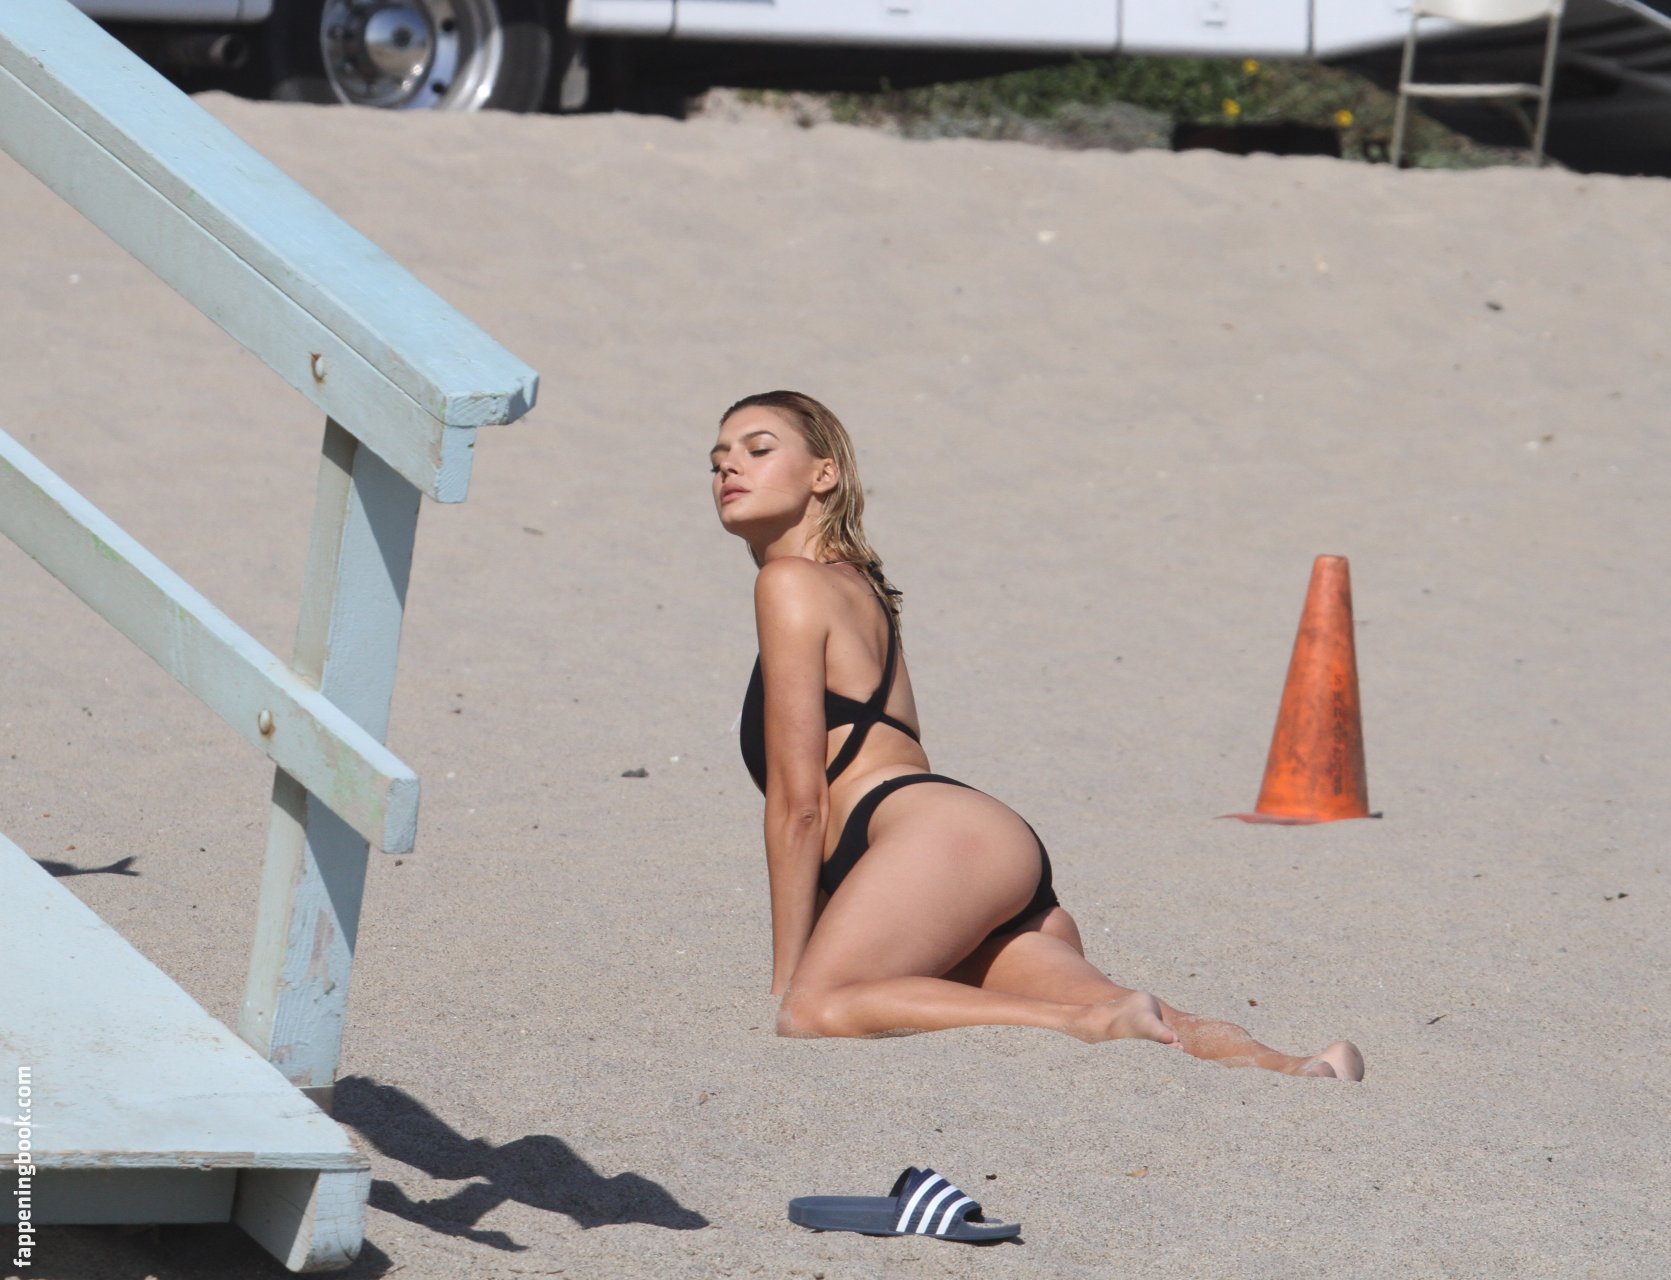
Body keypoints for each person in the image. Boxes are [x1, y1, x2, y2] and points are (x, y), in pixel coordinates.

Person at [710, 390, 1363, 1080]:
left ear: (824, 474)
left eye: (757, 449)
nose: (729, 468)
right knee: (1126, 1007)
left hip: (930, 839)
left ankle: (1085, 1024)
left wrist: (788, 978)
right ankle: (1293, 1065)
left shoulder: (788, 582)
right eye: (717, 460)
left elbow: (799, 803)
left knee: (814, 1009)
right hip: (956, 849)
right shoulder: (860, 586)